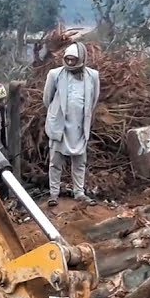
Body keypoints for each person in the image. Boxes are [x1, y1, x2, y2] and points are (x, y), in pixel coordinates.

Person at [42, 42, 100, 206]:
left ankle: (79, 192)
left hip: (80, 126)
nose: (69, 62)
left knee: (80, 162)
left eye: (73, 60)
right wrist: (56, 114)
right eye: (67, 59)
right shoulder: (55, 74)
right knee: (55, 162)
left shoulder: (92, 76)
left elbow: (94, 99)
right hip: (60, 125)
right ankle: (54, 194)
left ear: (81, 59)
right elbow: (47, 99)